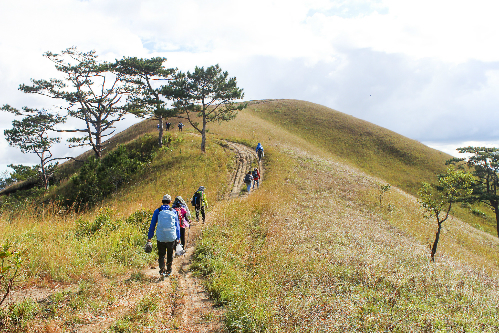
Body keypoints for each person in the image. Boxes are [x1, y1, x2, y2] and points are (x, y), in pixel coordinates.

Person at [147, 194, 180, 277]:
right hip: (171, 237)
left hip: (161, 237)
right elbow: (177, 226)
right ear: (170, 202)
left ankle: (162, 270)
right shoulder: (173, 211)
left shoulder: (157, 211)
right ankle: (169, 270)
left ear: (162, 201)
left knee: (161, 254)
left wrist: (149, 238)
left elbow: (152, 225)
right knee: (169, 253)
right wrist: (178, 237)